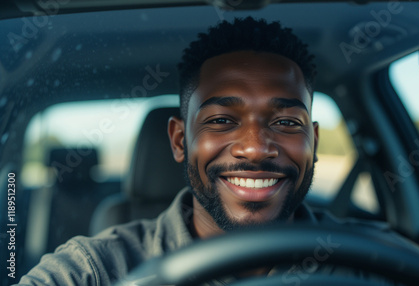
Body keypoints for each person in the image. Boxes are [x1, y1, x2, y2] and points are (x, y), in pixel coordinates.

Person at [16, 17, 388, 285]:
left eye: (288, 123)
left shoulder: (372, 260)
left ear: (315, 143)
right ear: (180, 141)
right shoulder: (97, 270)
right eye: (222, 120)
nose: (256, 148)